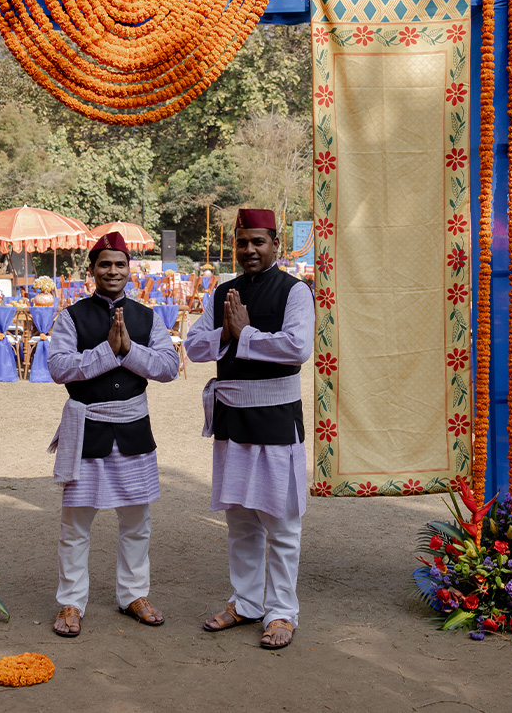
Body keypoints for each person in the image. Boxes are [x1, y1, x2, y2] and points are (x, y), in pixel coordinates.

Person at [185, 208, 313, 650]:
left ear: (276, 244)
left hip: (276, 414)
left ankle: (281, 613)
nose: (249, 250)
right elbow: (195, 345)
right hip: (232, 415)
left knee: (280, 522)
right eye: (242, 243)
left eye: (258, 242)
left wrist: (246, 334)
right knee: (240, 520)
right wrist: (226, 328)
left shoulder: (295, 292)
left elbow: (298, 347)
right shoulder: (222, 291)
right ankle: (246, 603)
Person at [47, 231, 181, 638]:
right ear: (92, 271)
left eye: (119, 264)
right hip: (87, 429)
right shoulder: (71, 316)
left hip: (133, 429)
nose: (112, 271)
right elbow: (58, 368)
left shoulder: (147, 316)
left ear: (129, 269)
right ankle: (71, 602)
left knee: (137, 521)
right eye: (104, 264)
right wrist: (107, 351)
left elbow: (169, 367)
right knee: (76, 524)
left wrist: (128, 351)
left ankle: (134, 595)